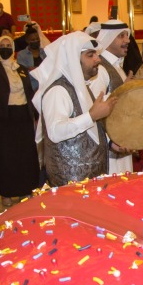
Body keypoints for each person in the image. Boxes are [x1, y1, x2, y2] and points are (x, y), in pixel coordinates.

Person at [34, 31, 116, 186]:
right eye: (90, 55)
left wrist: (111, 144)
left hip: (89, 182)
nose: (98, 59)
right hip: (68, 185)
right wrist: (91, 116)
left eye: (96, 54)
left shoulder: (82, 89)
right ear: (72, 59)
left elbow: (88, 132)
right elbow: (55, 131)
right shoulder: (58, 91)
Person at [0, 34, 39, 206]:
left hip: (22, 116)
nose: (5, 48)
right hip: (2, 118)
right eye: (2, 45)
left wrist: (34, 116)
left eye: (8, 45)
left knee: (24, 155)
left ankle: (25, 189)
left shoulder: (20, 68)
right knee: (5, 156)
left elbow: (29, 92)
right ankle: (5, 192)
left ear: (13, 48)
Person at [94, 21, 135, 174]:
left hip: (122, 140)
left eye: (127, 36)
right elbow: (96, 106)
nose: (127, 40)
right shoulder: (100, 68)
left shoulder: (117, 66)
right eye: (121, 36)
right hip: (111, 148)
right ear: (108, 39)